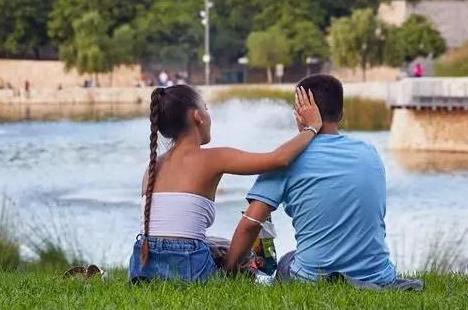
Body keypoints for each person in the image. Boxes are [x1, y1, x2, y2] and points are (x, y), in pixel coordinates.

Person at [225, 74, 423, 291]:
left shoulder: (287, 158)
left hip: (314, 279)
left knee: (287, 261)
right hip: (379, 274)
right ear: (341, 114)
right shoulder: (369, 152)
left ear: (300, 115)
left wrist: (228, 270)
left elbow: (251, 223)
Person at [128, 84, 324, 283]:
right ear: (198, 116)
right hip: (188, 267)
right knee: (248, 253)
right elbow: (278, 159)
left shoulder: (153, 166)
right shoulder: (213, 157)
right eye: (206, 107)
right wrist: (312, 128)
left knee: (218, 244)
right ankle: (256, 273)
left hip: (142, 266)